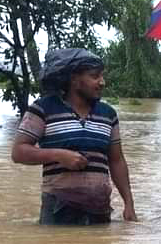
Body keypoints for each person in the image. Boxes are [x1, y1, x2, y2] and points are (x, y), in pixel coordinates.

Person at [11, 48, 137, 225]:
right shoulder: (43, 109)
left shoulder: (108, 114)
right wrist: (58, 155)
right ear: (74, 80)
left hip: (100, 210)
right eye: (95, 76)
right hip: (58, 209)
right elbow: (18, 152)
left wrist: (129, 204)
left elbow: (116, 160)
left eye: (102, 76)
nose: (102, 82)